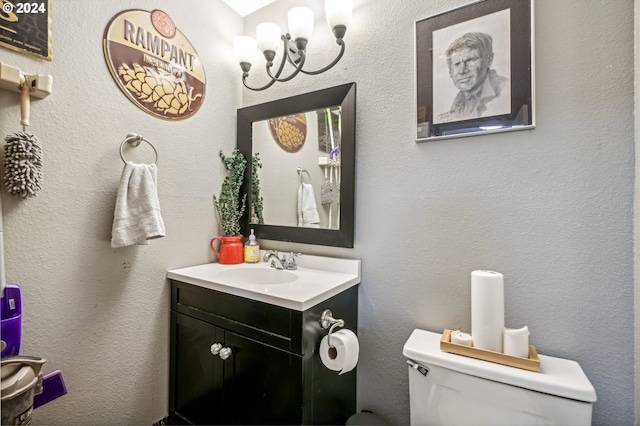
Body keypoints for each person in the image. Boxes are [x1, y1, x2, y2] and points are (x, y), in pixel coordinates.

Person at [438, 32, 510, 123]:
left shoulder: (507, 89)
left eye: (470, 60)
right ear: (450, 71)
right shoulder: (457, 102)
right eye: (457, 64)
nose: (462, 70)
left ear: (489, 60)